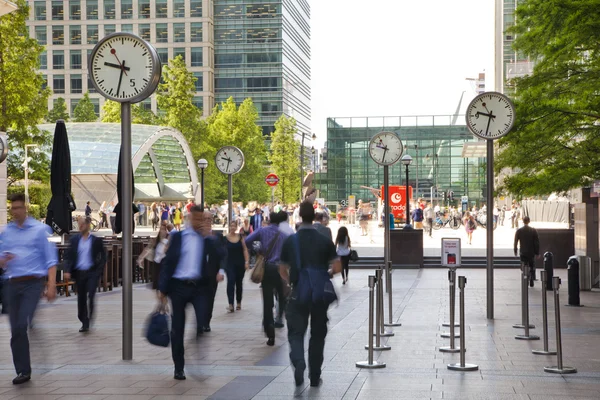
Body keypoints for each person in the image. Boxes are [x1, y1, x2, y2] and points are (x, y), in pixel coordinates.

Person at [159, 206, 225, 380]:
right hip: (179, 287)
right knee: (177, 328)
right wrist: (162, 289)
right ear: (190, 218)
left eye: (202, 219)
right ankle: (178, 367)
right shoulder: (178, 237)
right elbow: (168, 263)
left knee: (203, 321)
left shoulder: (206, 239)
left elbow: (221, 253)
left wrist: (209, 237)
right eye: (197, 219)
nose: (199, 222)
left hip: (199, 288)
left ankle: (195, 345)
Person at [279, 201, 341, 387]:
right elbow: (337, 266)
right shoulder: (324, 239)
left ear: (299, 217)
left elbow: (282, 269)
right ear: (314, 217)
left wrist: (290, 282)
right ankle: (315, 376)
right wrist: (326, 274)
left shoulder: (291, 240)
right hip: (319, 295)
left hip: (298, 292)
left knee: (296, 333)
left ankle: (298, 361)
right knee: (318, 335)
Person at [0, 193, 58, 385]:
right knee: (16, 329)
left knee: (21, 324)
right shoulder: (7, 232)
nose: (15, 212)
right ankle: (23, 371)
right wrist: (4, 260)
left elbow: (51, 260)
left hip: (33, 283)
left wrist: (51, 285)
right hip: (12, 283)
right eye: (12, 208)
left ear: (26, 208)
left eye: (18, 208)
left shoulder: (41, 230)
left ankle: (26, 364)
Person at [245, 212, 289, 346]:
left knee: (267, 300)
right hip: (280, 269)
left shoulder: (262, 230)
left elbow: (248, 241)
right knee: (282, 296)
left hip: (267, 268)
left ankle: (270, 333)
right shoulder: (284, 235)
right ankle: (279, 317)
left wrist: (258, 249)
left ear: (269, 220)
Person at [64, 216, 106, 333]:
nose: (80, 227)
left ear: (88, 225)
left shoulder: (96, 241)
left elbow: (103, 256)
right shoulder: (74, 240)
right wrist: (67, 270)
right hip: (79, 272)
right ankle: (84, 320)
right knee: (81, 298)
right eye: (79, 224)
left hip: (92, 272)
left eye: (82, 224)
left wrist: (99, 270)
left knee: (91, 295)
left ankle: (90, 316)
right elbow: (68, 256)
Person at [225, 221, 249, 312]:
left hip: (240, 263)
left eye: (234, 226)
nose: (232, 227)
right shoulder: (225, 238)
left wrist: (246, 262)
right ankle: (230, 304)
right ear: (229, 227)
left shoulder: (240, 237)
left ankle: (238, 302)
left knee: (239, 283)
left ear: (236, 227)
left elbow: (245, 249)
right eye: (231, 226)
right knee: (230, 282)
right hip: (229, 263)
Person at [514, 216, 540, 287]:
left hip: (523, 251)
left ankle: (526, 276)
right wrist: (537, 252)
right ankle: (531, 277)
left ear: (523, 221)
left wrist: (515, 250)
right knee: (532, 265)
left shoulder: (519, 231)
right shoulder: (533, 230)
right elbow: (536, 242)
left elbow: (516, 241)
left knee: (524, 264)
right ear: (529, 221)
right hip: (531, 252)